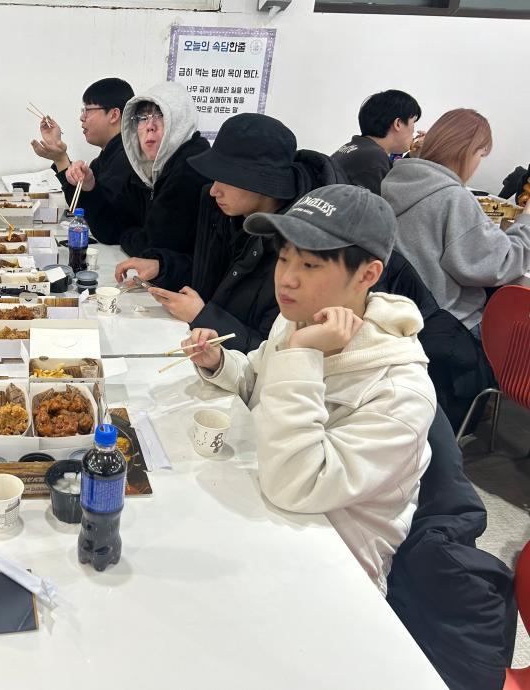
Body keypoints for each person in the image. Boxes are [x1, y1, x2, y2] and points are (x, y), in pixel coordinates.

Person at [185, 184, 436, 595]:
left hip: (331, 572)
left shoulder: (399, 393)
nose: (286, 279)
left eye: (310, 265)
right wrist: (220, 363)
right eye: (283, 258)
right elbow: (259, 383)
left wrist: (302, 353)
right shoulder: (298, 319)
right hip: (261, 513)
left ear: (367, 275)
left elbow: (295, 484)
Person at [114, 113, 345, 353]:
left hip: (239, 367)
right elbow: (212, 275)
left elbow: (274, 351)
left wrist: (203, 316)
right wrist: (163, 267)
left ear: (260, 182)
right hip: (204, 351)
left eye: (225, 179)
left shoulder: (301, 249)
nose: (214, 191)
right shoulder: (227, 213)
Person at [382, 108, 530, 336]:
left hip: (402, 313)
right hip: (449, 323)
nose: (478, 163)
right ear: (467, 153)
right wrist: (527, 220)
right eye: (480, 155)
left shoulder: (396, 178)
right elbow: (496, 265)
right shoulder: (452, 197)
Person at [63, 81, 210, 256]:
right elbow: (110, 231)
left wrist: (127, 235)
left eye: (160, 115)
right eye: (142, 118)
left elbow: (155, 246)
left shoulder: (191, 167)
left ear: (180, 121)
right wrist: (90, 188)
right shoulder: (144, 168)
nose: (150, 126)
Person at [31, 77, 134, 235]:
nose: (82, 117)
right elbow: (79, 206)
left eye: (88, 110)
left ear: (114, 115)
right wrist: (60, 158)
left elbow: (107, 229)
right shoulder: (106, 157)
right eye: (83, 111)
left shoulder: (126, 159)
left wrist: (61, 159)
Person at [332, 90, 423, 194]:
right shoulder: (374, 158)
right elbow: (390, 201)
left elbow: (391, 178)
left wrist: (412, 156)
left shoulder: (358, 149)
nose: (414, 130)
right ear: (398, 124)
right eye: (413, 122)